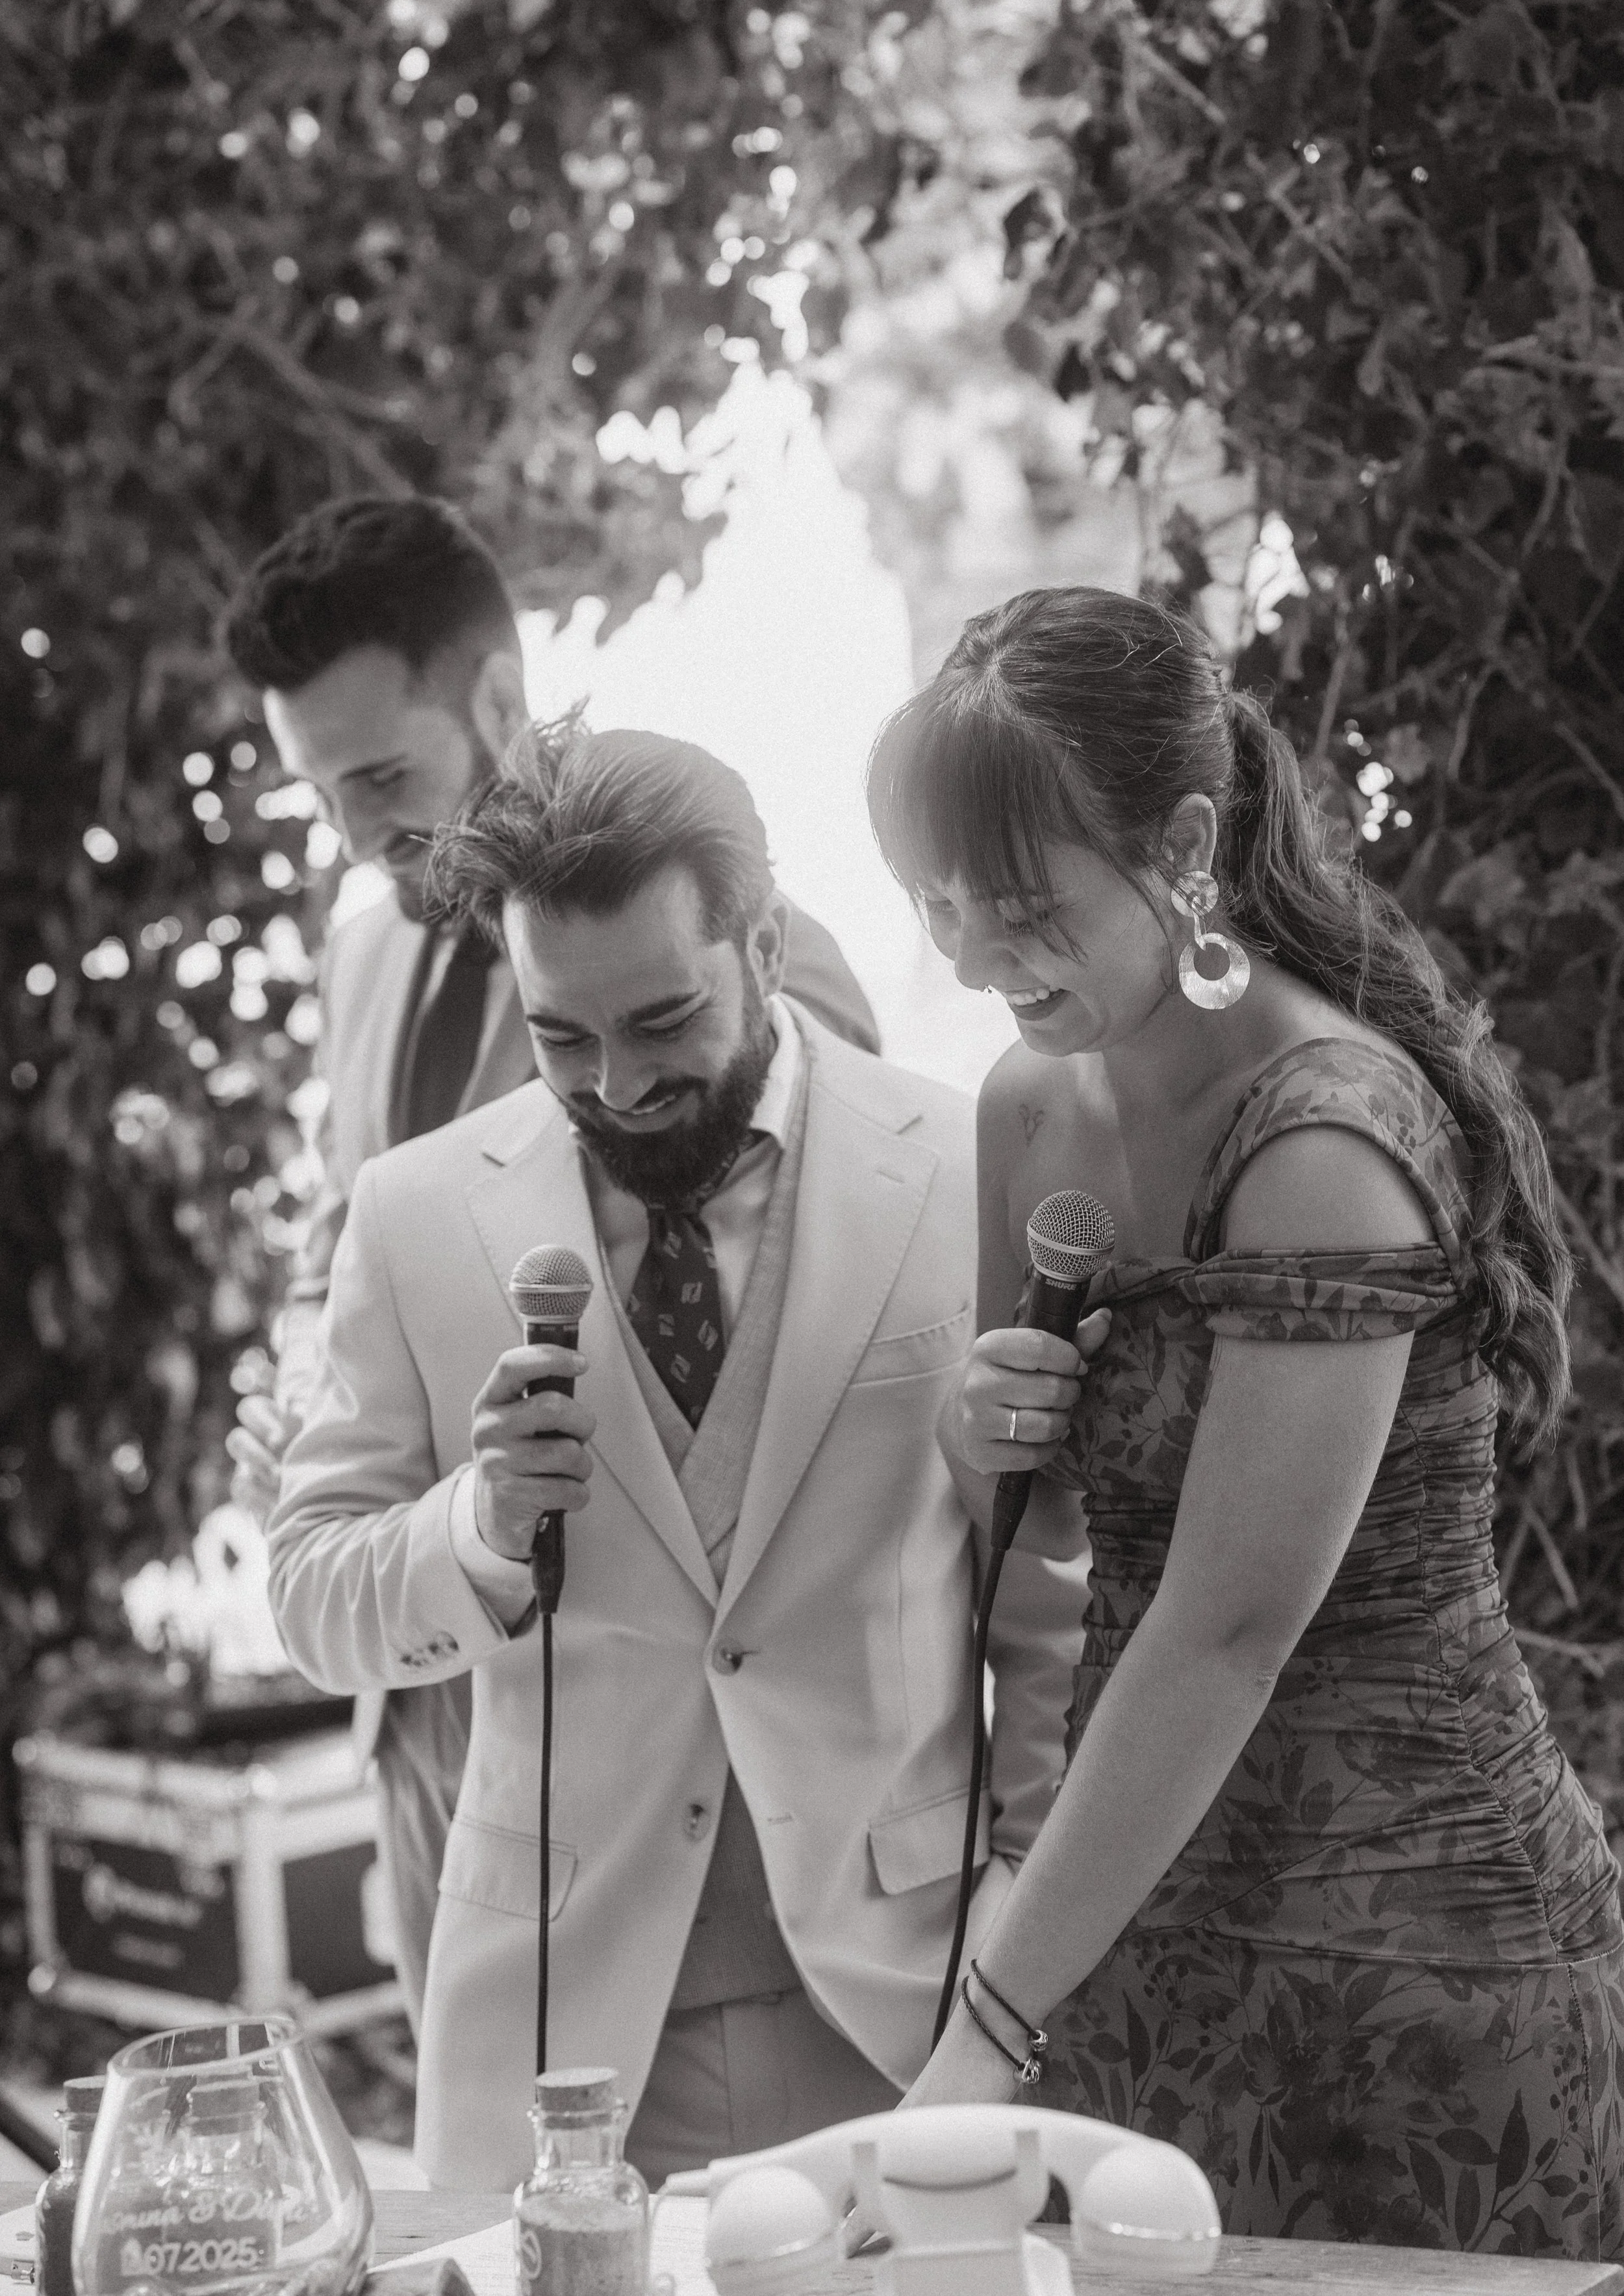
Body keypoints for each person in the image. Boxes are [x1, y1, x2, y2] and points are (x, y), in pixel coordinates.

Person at [865, 585, 1624, 2260]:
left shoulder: (1325, 1139)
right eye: (933, 907)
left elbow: (1222, 1632)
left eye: (1017, 910)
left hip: (1419, 1972)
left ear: (1186, 841)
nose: (976, 963)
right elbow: (1068, 1546)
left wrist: (985, 2023)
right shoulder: (1025, 1103)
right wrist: (981, 1435)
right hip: (1136, 1941)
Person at [264, 718, 1087, 2191]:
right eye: (558, 1036)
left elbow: (1045, 1609)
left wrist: (1023, 1930)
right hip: (560, 2063)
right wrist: (478, 1528)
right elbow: (313, 1597)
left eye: (660, 1022)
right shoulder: (413, 1214)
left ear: (762, 943)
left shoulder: (965, 1166)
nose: (616, 1086)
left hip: (909, 2015)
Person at [222, 496, 882, 2031]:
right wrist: (322, 1419)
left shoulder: (734, 956)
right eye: (319, 794)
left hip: (660, 1733)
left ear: (501, 702)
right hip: (418, 1680)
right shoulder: (365, 946)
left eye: (381, 776)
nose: (354, 838)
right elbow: (355, 1238)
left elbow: (818, 1325)